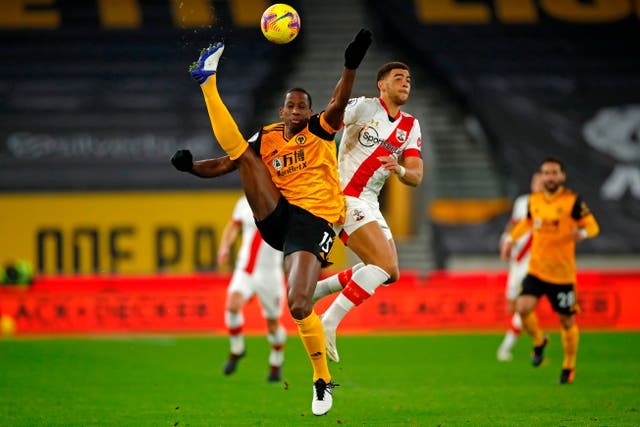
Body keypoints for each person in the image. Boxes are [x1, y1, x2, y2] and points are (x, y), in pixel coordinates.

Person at [170, 29, 372, 415]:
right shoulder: (268, 136)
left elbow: (339, 102)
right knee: (246, 156)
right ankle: (207, 82)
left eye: (301, 107)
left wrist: (350, 65)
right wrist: (192, 168)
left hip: (314, 223)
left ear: (309, 113)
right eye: (290, 107)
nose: (296, 112)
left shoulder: (320, 129)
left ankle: (320, 380)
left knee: (297, 305)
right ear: (282, 112)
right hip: (277, 217)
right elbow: (227, 163)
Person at [311, 61, 423, 363]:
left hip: (370, 202)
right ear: (381, 85)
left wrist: (398, 168)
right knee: (383, 265)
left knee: (391, 274)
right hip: (344, 196)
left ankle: (320, 289)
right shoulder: (363, 107)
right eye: (398, 78)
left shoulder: (410, 126)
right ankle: (329, 321)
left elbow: (416, 175)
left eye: (408, 79)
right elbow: (332, 114)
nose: (405, 83)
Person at [501, 157, 599, 384]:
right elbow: (525, 224)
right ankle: (538, 340)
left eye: (554, 173)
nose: (550, 177)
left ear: (562, 176)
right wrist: (509, 239)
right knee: (522, 308)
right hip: (537, 269)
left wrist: (582, 234)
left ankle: (568, 366)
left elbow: (593, 225)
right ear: (541, 176)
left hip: (562, 274)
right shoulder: (534, 201)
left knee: (566, 322)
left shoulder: (572, 202)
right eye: (546, 173)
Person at [217, 196, 286, 382]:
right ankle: (237, 348)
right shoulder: (244, 202)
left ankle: (276, 360)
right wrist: (224, 247)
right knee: (232, 305)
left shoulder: (285, 202)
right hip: (245, 269)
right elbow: (233, 226)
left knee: (272, 326)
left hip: (270, 273)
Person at [496, 172, 544, 362]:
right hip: (517, 261)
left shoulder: (551, 206)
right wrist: (505, 241)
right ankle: (539, 340)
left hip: (535, 263)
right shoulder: (522, 202)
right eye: (537, 182)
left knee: (523, 308)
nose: (539, 185)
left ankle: (506, 347)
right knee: (512, 306)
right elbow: (513, 226)